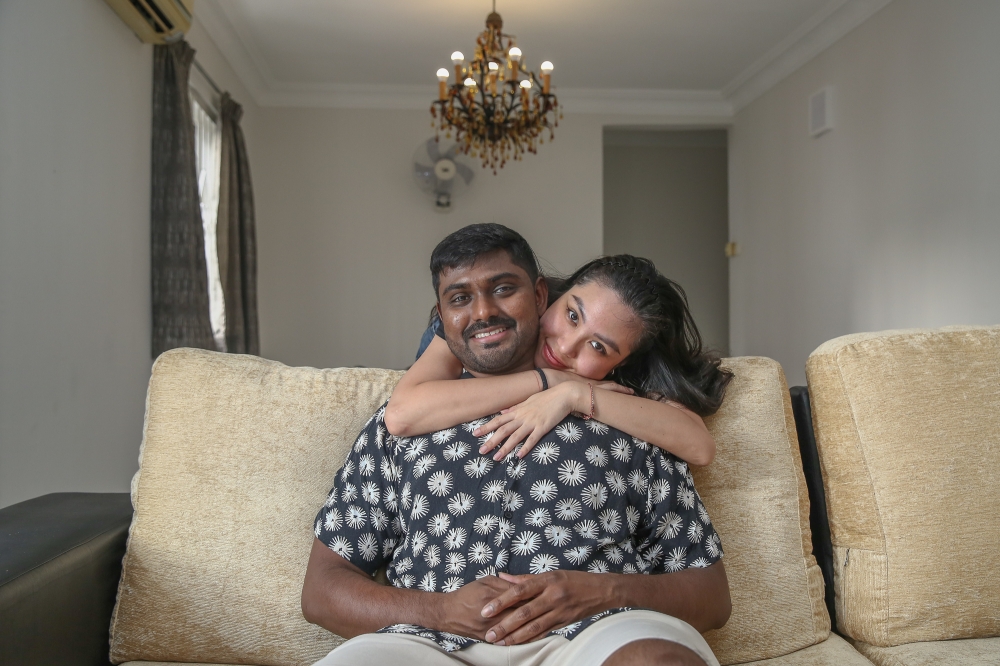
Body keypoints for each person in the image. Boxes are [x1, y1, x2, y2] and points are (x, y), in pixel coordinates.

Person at [302, 224, 732, 666]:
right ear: (442, 315)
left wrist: (602, 592)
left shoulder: (632, 419)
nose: (484, 312)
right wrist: (441, 611)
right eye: (461, 299)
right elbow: (323, 590)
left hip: (596, 632)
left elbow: (711, 596)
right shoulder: (407, 421)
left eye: (505, 289)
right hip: (427, 641)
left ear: (539, 294)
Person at [385, 235, 732, 467]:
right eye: (571, 315)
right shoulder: (500, 317)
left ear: (622, 362)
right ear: (552, 295)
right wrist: (549, 380)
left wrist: (574, 395)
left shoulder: (623, 378)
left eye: (597, 346)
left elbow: (699, 447)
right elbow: (402, 415)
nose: (565, 346)